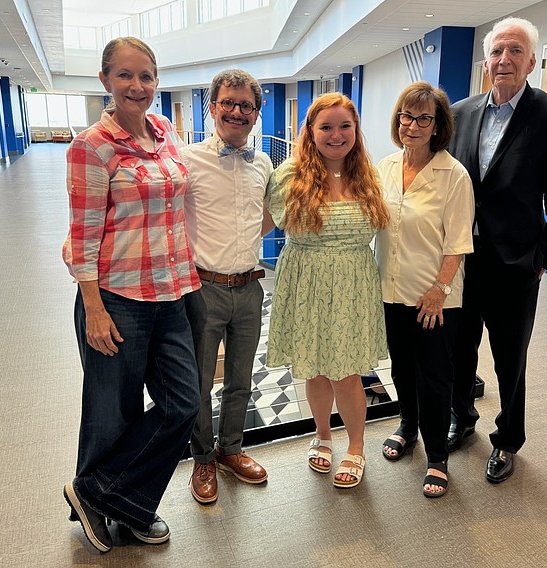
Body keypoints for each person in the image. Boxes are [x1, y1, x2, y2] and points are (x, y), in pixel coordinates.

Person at [61, 37, 201, 553]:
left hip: (171, 293)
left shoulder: (164, 131)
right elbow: (82, 235)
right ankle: (109, 505)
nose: (137, 86)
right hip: (116, 298)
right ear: (105, 81)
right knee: (110, 412)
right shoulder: (91, 147)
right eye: (125, 75)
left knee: (182, 404)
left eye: (146, 76)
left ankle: (106, 494)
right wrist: (93, 309)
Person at [448, 17, 547, 483]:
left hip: (516, 263)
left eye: (515, 51)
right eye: (497, 51)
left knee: (510, 359)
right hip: (462, 260)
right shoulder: (460, 112)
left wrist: (545, 257)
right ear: (486, 60)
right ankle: (461, 419)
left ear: (531, 60)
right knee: (458, 350)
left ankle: (508, 440)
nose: (504, 60)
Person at [265, 93, 389, 489]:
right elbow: (257, 224)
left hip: (353, 281)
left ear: (355, 130)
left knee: (348, 372)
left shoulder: (368, 175)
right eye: (326, 127)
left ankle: (356, 446)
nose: (336, 135)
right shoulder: (289, 175)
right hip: (304, 280)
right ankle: (322, 434)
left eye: (344, 126)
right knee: (315, 367)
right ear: (311, 132)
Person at [376, 81, 474, 498]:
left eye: (423, 118)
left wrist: (439, 289)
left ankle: (437, 456)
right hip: (390, 291)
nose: (412, 125)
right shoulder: (384, 166)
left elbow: (458, 242)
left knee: (435, 376)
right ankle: (407, 427)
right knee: (400, 368)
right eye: (406, 116)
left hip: (433, 298)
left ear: (437, 126)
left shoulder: (453, 175)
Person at [182, 68, 273, 505]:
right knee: (199, 382)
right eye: (229, 103)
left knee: (241, 377)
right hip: (204, 288)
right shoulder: (187, 159)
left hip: (250, 288)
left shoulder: (264, 163)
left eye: (246, 106)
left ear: (257, 113)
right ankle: (202, 457)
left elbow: (268, 215)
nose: (237, 112)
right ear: (213, 107)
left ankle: (231, 449)